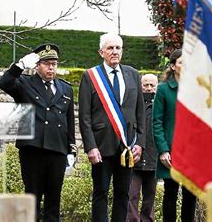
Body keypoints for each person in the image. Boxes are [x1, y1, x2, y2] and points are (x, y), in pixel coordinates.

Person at [0, 44, 76, 222]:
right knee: (32, 197)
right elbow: (4, 83)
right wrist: (20, 65)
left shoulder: (65, 89)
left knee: (53, 199)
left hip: (57, 149)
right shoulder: (25, 83)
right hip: (33, 149)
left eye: (54, 64)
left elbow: (69, 121)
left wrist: (71, 150)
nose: (51, 67)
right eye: (46, 63)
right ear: (37, 66)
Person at [79, 33, 145, 222]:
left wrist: (140, 142)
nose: (114, 52)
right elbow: (84, 117)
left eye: (118, 48)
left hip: (128, 147)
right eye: (110, 48)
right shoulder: (90, 76)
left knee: (123, 193)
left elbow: (140, 112)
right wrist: (90, 146)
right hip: (101, 146)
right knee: (100, 192)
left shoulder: (133, 74)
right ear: (101, 52)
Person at [152, 49, 196, 222]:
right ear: (173, 66)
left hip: (192, 153)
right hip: (171, 152)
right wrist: (163, 150)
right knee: (170, 194)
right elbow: (156, 122)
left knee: (191, 196)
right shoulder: (163, 90)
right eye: (181, 62)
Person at [127, 74, 159, 222]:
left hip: (154, 158)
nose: (149, 88)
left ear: (157, 86)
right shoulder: (133, 104)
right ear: (140, 85)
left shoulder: (160, 107)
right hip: (135, 157)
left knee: (150, 196)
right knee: (131, 195)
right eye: (146, 84)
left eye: (152, 85)